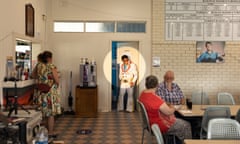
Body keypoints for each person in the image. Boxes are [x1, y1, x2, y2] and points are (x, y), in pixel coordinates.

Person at [139, 75, 192, 143]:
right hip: (159, 125)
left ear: (146, 84)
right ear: (157, 85)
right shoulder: (154, 98)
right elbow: (169, 112)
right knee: (186, 125)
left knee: (178, 121)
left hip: (150, 123)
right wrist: (174, 107)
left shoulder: (143, 94)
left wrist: (166, 104)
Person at [35, 51, 61, 138]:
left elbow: (32, 75)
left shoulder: (38, 66)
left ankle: (43, 130)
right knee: (50, 113)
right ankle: (50, 132)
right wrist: (56, 83)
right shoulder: (51, 66)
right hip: (50, 92)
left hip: (41, 92)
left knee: (43, 111)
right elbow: (57, 80)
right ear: (49, 58)